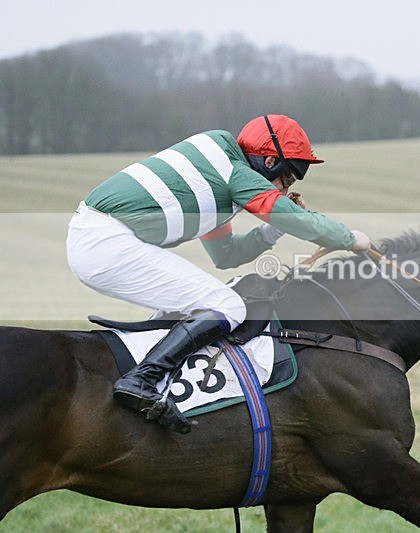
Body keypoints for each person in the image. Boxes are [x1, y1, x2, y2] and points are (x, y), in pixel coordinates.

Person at [66, 114, 369, 432]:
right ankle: (143, 380)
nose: (285, 191)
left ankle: (151, 383)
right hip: (105, 241)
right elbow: (291, 216)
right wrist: (349, 238)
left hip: (98, 239)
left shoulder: (217, 178)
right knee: (228, 305)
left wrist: (273, 231)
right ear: (269, 161)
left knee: (194, 306)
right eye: (287, 181)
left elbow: (227, 254)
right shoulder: (232, 169)